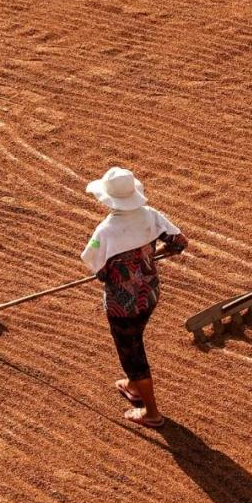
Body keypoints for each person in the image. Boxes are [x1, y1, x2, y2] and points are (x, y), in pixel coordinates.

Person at [81, 167, 188, 428]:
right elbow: (179, 242)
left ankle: (151, 412)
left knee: (132, 354)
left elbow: (98, 268)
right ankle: (132, 385)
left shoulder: (105, 231)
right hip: (150, 293)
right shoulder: (150, 215)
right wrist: (149, 257)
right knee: (135, 338)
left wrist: (120, 268)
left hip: (122, 306)